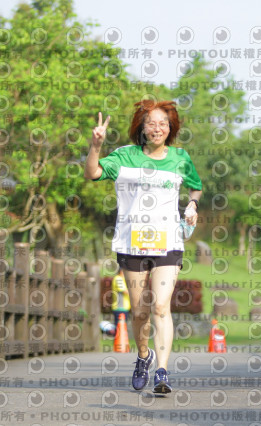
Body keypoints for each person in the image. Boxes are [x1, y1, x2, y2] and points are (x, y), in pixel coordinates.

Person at [85, 100, 202, 394]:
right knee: (140, 312)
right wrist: (95, 145)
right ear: (142, 127)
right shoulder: (125, 156)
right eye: (151, 123)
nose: (157, 128)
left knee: (161, 306)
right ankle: (143, 356)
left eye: (163, 123)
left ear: (171, 128)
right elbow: (93, 172)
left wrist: (192, 204)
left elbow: (196, 186)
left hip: (168, 241)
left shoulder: (180, 158)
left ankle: (162, 371)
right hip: (130, 242)